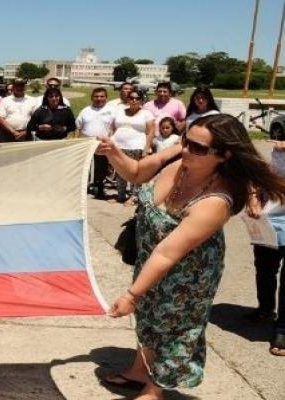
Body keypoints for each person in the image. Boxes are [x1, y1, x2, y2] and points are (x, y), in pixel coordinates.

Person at [98, 113, 285, 400]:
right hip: (151, 255)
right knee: (148, 315)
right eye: (186, 141)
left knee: (174, 325)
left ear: (224, 156)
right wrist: (114, 153)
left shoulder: (216, 201)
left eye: (197, 148)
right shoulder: (182, 155)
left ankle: (155, 388)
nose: (186, 149)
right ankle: (139, 369)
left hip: (188, 273)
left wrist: (131, 294)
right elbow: (136, 172)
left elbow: (167, 252)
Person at [245, 139, 285, 357]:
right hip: (268, 221)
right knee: (265, 269)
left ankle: (283, 329)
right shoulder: (270, 154)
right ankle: (266, 308)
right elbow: (254, 178)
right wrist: (252, 199)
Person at [110, 88, 155, 205]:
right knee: (120, 171)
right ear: (128, 99)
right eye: (131, 98)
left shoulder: (146, 113)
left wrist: (146, 148)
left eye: (137, 98)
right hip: (119, 147)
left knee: (136, 173)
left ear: (141, 100)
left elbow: (150, 132)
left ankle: (134, 197)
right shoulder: (120, 112)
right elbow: (114, 128)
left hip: (137, 147)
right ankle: (120, 195)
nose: (134, 100)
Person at [76, 87, 114, 199]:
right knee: (85, 166)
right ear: (92, 97)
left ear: (106, 97)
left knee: (101, 167)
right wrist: (76, 141)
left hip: (103, 143)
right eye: (96, 96)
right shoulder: (85, 110)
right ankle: (83, 187)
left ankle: (99, 187)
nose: (99, 99)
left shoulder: (112, 111)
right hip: (86, 142)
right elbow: (78, 127)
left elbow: (116, 127)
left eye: (102, 96)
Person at [0, 78, 37, 143]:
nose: (19, 88)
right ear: (13, 87)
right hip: (7, 134)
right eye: (17, 86)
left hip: (26, 134)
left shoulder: (32, 100)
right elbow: (0, 118)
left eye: (21, 85)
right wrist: (14, 132)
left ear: (25, 87)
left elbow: (36, 119)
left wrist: (26, 132)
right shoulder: (5, 100)